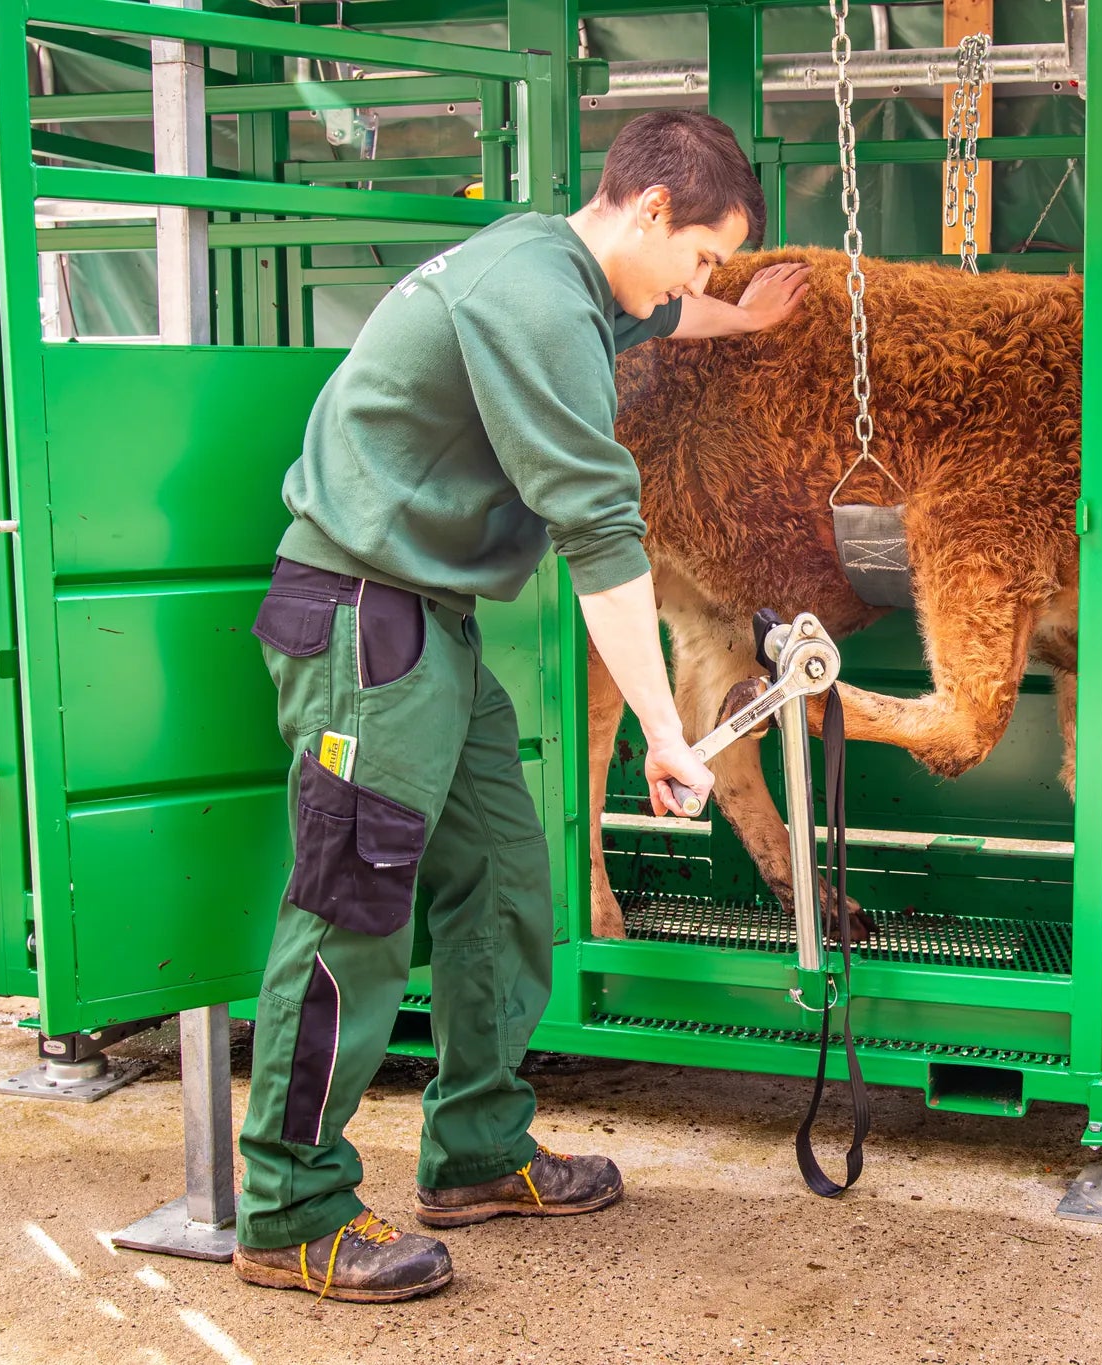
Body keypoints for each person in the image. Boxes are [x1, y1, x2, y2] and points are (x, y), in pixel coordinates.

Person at [230, 110, 810, 1303]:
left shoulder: (571, 273)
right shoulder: (533, 298)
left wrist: (736, 315)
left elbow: (650, 309)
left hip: (426, 623)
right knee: (352, 908)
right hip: (358, 617)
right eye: (705, 254)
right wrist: (663, 728)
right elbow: (600, 530)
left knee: (500, 875)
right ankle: (289, 1209)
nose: (696, 282)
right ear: (652, 208)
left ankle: (479, 1151)